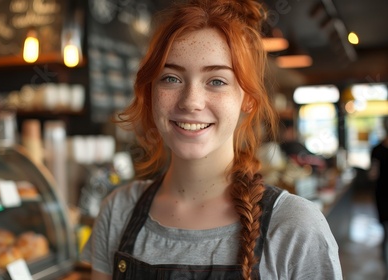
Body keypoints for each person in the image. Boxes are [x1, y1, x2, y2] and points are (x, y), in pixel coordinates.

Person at [81, 0, 342, 279]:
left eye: (216, 81)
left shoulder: (295, 227)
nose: (191, 101)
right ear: (151, 92)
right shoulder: (118, 211)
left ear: (248, 100)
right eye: (171, 78)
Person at [369, 116, 388, 272]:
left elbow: (372, 174)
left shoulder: (377, 149)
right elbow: (373, 174)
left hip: (381, 192)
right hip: (382, 194)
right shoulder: (376, 150)